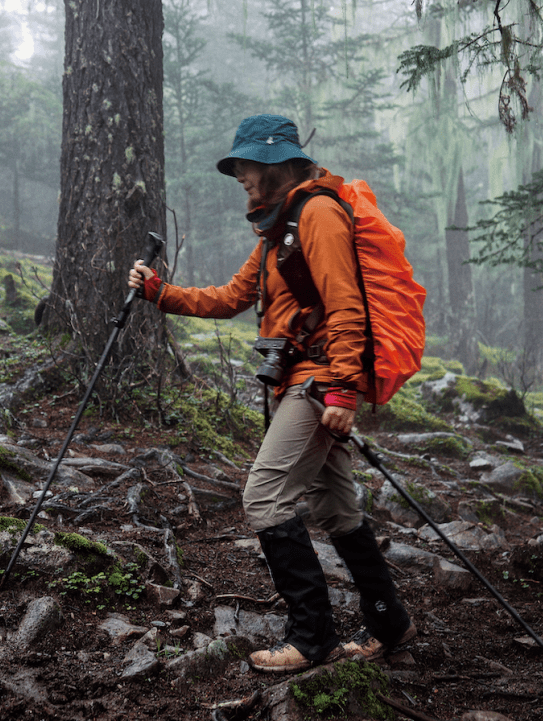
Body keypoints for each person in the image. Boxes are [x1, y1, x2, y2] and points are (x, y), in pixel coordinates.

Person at [128, 114, 416, 674]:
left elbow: (347, 306)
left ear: (276, 163)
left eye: (246, 166)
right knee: (336, 508)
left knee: (263, 496)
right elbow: (229, 297)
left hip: (316, 382)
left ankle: (311, 638)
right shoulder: (278, 232)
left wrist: (341, 393)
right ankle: (390, 623)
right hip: (301, 384)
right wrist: (160, 292)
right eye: (237, 167)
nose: (239, 176)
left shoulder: (319, 216)